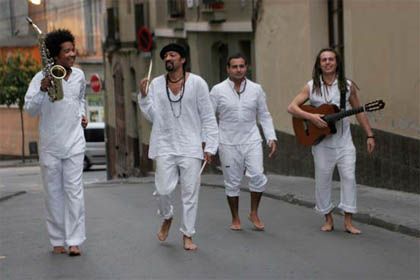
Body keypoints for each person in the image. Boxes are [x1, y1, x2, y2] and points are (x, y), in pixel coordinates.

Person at [138, 43, 218, 251]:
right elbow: (151, 115)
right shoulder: (156, 84)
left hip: (191, 146)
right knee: (163, 189)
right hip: (164, 144)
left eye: (172, 55)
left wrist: (210, 146)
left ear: (182, 59)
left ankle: (187, 235)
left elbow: (208, 116)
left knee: (190, 193)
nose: (168, 58)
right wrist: (144, 96)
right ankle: (167, 216)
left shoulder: (198, 83)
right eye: (165, 56)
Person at [287, 48, 375, 234]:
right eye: (324, 60)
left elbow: (359, 112)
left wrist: (369, 134)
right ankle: (327, 218)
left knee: (349, 178)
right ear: (319, 64)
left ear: (337, 63)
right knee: (323, 180)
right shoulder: (311, 86)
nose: (327, 62)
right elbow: (292, 107)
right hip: (322, 144)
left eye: (331, 59)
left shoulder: (347, 86)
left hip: (344, 141)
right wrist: (310, 118)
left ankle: (348, 221)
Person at [24, 29, 88, 256]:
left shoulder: (80, 76)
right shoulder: (40, 77)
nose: (73, 54)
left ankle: (74, 241)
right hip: (51, 146)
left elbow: (81, 99)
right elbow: (30, 109)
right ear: (55, 55)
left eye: (73, 49)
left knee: (74, 193)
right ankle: (57, 240)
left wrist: (83, 113)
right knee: (53, 194)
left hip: (74, 143)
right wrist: (42, 88)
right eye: (67, 51)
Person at [209, 53, 277, 231]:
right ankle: (235, 217)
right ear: (228, 69)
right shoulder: (217, 90)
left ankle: (254, 212)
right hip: (228, 142)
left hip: (252, 139)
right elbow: (209, 118)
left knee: (258, 176)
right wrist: (209, 145)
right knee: (232, 182)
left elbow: (264, 115)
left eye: (241, 66)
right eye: (234, 66)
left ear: (246, 67)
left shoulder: (256, 89)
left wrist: (271, 137)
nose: (238, 70)